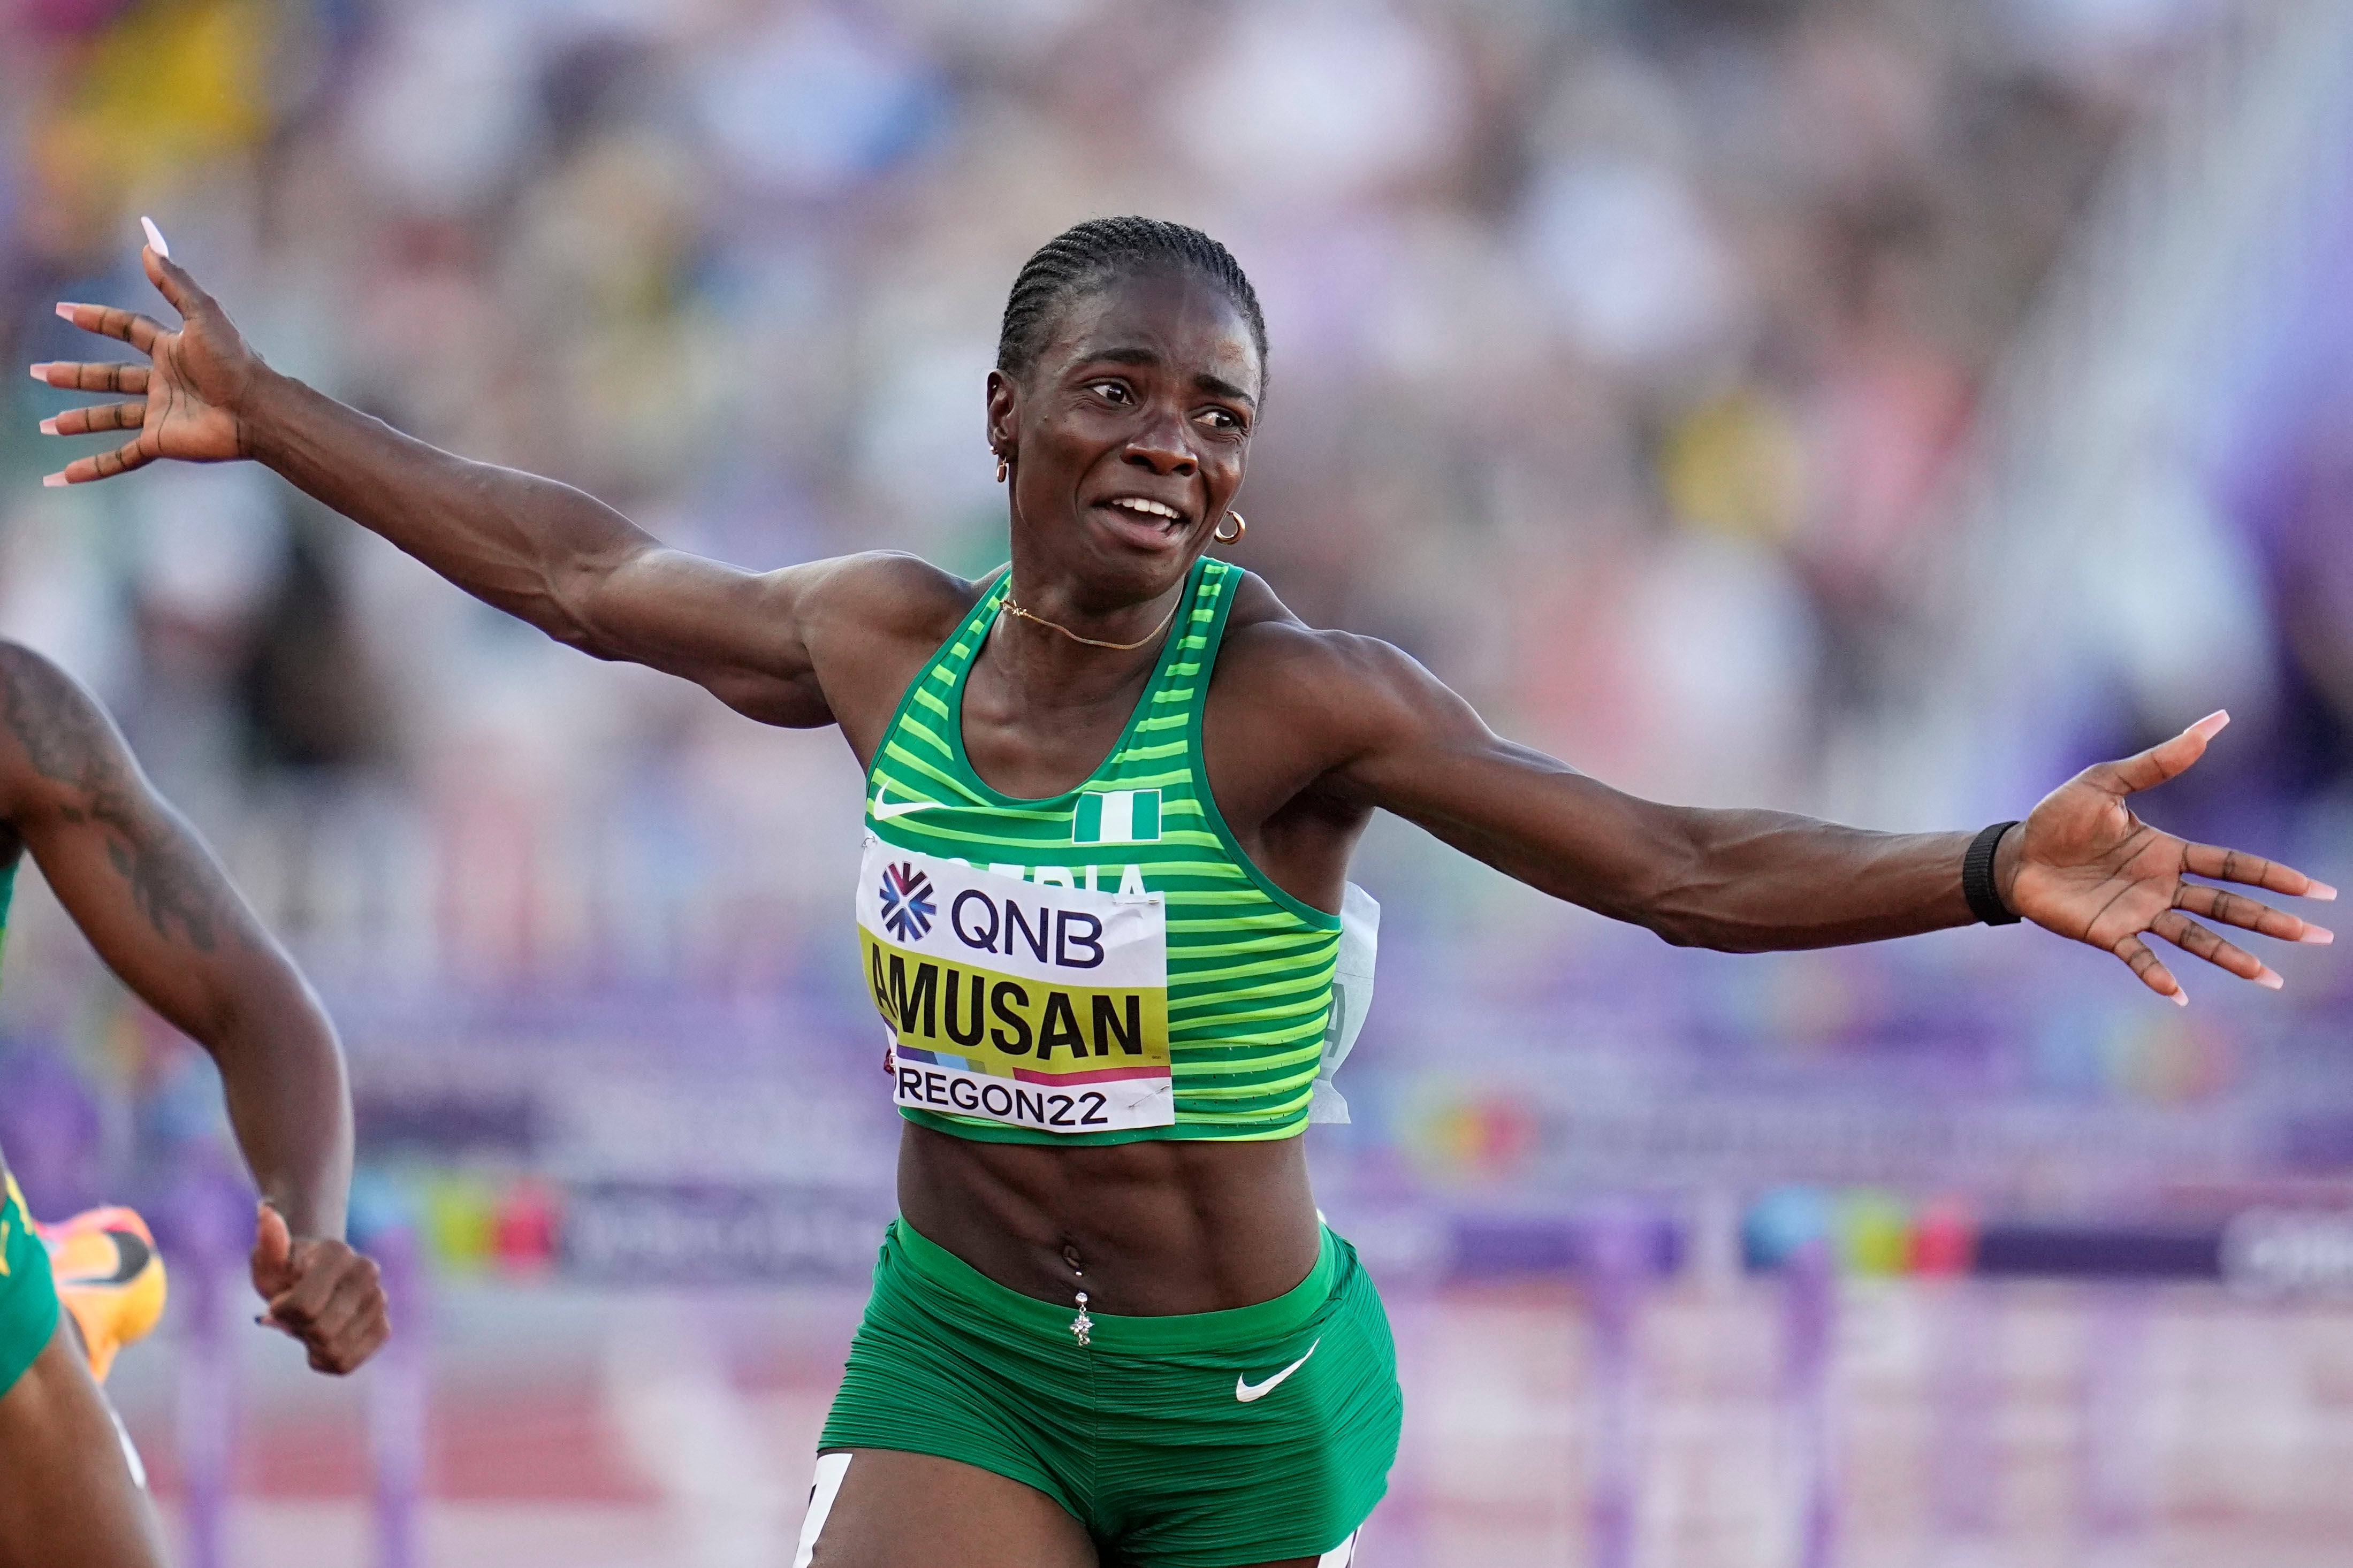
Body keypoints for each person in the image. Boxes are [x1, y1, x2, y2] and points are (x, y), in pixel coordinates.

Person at [32, 216, 2332, 1568]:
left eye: (1219, 414)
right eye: (1121, 389)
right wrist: (269, 404)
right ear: (1008, 410)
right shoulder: (877, 642)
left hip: (1233, 1396)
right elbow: (583, 573)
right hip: (963, 1342)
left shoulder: (1297, 707)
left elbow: (1672, 866)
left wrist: (1977, 866)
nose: (1173, 439)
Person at [0, 639, 389, 1567]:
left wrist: (309, 1230)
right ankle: (80, 1292)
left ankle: (57, 1296)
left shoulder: (16, 720)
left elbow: (249, 1001)